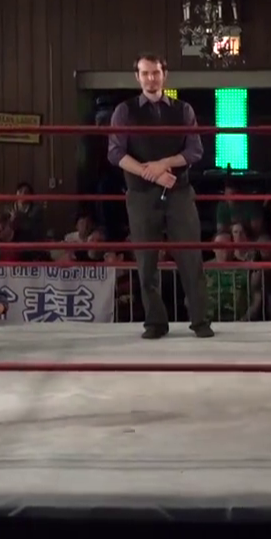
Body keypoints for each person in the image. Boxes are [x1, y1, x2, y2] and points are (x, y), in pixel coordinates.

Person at [106, 52, 213, 340]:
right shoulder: (124, 111)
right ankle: (154, 322)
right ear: (137, 77)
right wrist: (150, 173)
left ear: (164, 75)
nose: (151, 78)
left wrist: (163, 164)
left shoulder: (183, 109)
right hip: (141, 193)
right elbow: (115, 153)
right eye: (145, 73)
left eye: (155, 73)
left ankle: (200, 320)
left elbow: (195, 151)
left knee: (190, 256)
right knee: (146, 260)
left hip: (178, 190)